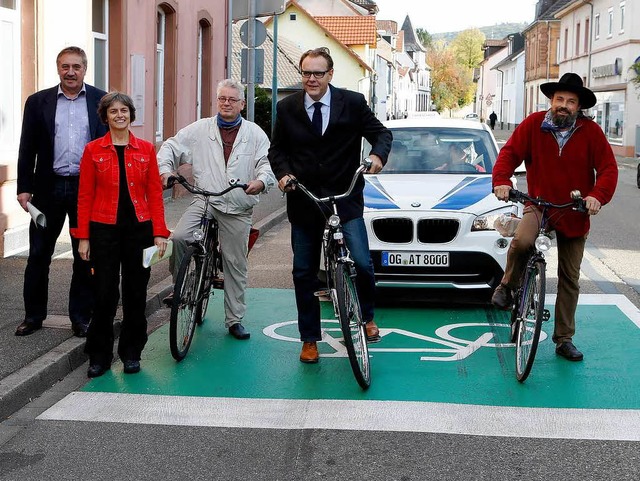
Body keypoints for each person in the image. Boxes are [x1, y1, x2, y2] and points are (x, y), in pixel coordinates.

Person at [268, 47, 392, 364]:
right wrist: (283, 176)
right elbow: (277, 151)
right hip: (305, 198)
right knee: (302, 273)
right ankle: (309, 339)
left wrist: (377, 155)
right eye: (306, 73)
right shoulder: (287, 107)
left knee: (362, 262)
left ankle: (366, 318)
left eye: (318, 73)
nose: (311, 79)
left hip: (345, 197)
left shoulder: (351, 102)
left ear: (330, 75)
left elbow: (381, 133)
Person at [491, 72, 618, 362]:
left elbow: (609, 169)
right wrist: (502, 181)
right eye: (559, 99)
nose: (564, 105)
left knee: (570, 277)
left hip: (574, 210)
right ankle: (508, 285)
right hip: (540, 205)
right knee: (522, 241)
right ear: (551, 100)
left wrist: (597, 196)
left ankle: (564, 339)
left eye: (571, 101)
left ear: (579, 106)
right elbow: (509, 154)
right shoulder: (533, 124)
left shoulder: (591, 132)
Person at [157, 79, 275, 340]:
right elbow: (171, 146)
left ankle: (234, 319)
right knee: (179, 237)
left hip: (237, 204)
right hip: (205, 199)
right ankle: (182, 287)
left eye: (232, 99)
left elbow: (267, 165)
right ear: (217, 101)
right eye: (222, 99)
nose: (226, 103)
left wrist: (261, 182)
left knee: (235, 263)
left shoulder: (255, 134)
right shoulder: (201, 129)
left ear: (242, 104)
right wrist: (166, 170)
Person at [15, 46, 107, 337]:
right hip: (47, 188)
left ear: (85, 69)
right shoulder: (38, 101)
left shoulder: (100, 100)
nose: (70, 72)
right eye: (65, 66)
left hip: (87, 188)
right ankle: (33, 316)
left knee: (85, 255)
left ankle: (80, 317)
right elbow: (27, 146)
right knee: (39, 254)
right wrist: (23, 188)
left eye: (76, 67)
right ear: (58, 69)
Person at [76, 92, 170, 378]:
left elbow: (154, 193)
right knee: (104, 294)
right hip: (103, 229)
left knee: (135, 294)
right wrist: (83, 237)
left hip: (138, 230)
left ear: (131, 115)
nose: (119, 115)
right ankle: (99, 356)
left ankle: (131, 353)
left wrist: (159, 233)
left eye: (124, 110)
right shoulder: (93, 150)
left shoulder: (145, 149)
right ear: (105, 117)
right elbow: (85, 195)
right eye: (113, 111)